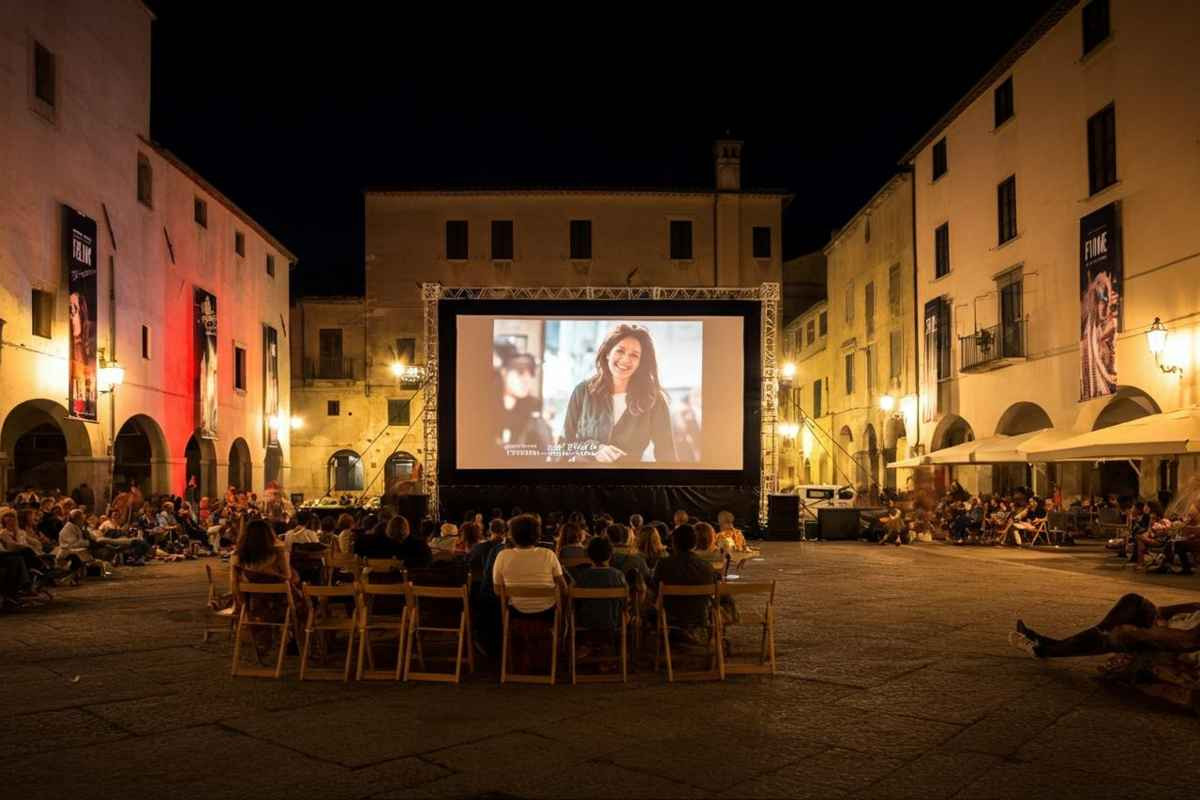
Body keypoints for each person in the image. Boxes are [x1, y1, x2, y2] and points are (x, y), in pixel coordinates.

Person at [561, 324, 677, 464]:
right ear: (608, 353)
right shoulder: (582, 392)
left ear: (640, 362)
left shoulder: (654, 399)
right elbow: (563, 446)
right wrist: (594, 449)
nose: (626, 359)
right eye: (620, 351)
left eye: (634, 355)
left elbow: (667, 455)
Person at [651, 524, 718, 634]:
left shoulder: (663, 564)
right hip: (700, 616)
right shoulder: (706, 567)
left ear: (674, 543)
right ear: (694, 543)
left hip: (669, 617)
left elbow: (654, 587)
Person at [572, 536, 628, 662]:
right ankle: (607, 649)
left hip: (586, 622)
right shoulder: (618, 575)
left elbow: (574, 601)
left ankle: (589, 646)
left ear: (589, 555)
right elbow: (624, 602)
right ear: (610, 554)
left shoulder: (583, 576)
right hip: (613, 620)